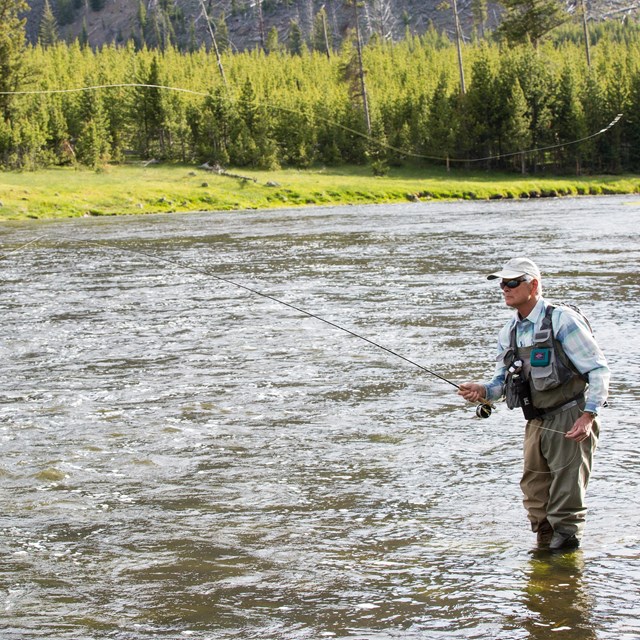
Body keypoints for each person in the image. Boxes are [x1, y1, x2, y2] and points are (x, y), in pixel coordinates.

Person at [458, 257, 609, 551]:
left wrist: (588, 416)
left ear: (534, 285)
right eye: (502, 283)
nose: (505, 288)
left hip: (571, 417)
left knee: (566, 498)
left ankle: (564, 565)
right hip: (535, 422)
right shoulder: (509, 332)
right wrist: (482, 391)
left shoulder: (563, 320)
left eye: (512, 282)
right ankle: (544, 551)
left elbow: (598, 370)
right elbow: (501, 383)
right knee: (534, 493)